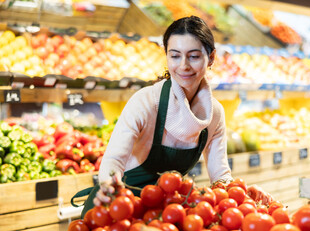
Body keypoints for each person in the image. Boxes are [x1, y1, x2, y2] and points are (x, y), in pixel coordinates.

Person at [74, 16, 273, 217]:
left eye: (194, 56)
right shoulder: (146, 102)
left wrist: (242, 193)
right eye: (175, 56)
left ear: (211, 58)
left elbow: (220, 176)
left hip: (162, 214)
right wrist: (109, 187)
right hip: (116, 208)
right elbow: (114, 159)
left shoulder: (214, 114)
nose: (183, 66)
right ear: (166, 56)